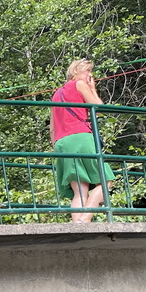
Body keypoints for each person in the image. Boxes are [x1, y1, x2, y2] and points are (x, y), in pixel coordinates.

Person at [50, 58, 114, 223]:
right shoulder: (79, 84)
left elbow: (52, 128)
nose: (89, 75)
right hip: (80, 137)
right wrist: (93, 90)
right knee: (106, 181)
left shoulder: (56, 94)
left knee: (80, 190)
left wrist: (57, 146)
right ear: (75, 71)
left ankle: (77, 226)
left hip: (61, 143)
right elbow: (100, 109)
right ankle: (86, 219)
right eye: (87, 71)